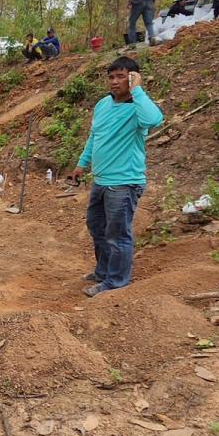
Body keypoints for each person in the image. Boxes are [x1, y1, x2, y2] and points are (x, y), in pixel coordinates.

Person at [65, 56, 164, 297]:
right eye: (111, 77)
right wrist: (81, 164)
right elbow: (94, 136)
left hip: (123, 183)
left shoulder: (137, 108)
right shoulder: (102, 105)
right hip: (100, 181)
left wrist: (137, 89)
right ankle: (103, 270)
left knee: (118, 234)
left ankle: (116, 281)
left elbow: (155, 120)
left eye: (121, 76)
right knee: (96, 225)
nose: (114, 81)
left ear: (133, 78)